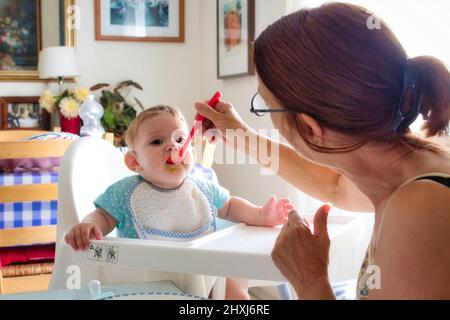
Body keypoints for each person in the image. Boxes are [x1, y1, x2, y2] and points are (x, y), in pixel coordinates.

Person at [194, 2, 450, 299]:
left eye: (266, 105)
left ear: (309, 128)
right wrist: (242, 137)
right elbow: (335, 186)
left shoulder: (418, 212)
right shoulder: (416, 171)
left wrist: (310, 279)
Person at [65, 105, 294, 300]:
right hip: (148, 280)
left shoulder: (201, 187)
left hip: (206, 274)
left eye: (180, 139)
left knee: (236, 294)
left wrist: (260, 215)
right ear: (135, 161)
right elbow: (103, 217)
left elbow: (231, 206)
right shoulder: (127, 192)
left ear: (191, 152)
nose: (172, 146)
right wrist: (89, 224)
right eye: (157, 141)